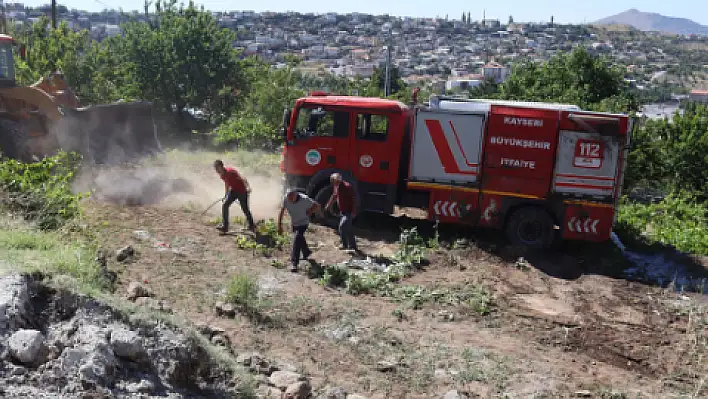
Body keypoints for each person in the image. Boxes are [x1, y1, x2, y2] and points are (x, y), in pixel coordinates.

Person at [278, 189, 320, 272]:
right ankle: (306, 252)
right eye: (288, 197)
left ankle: (294, 263)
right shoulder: (286, 199)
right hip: (294, 223)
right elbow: (282, 211)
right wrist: (279, 225)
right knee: (300, 238)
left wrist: (310, 211)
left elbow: (317, 205)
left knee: (297, 239)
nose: (290, 200)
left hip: (304, 223)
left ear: (296, 194)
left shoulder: (305, 199)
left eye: (291, 197)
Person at [213, 160, 256, 234]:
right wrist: (226, 195)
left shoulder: (231, 172)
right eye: (215, 169)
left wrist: (248, 187)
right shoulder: (222, 175)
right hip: (233, 191)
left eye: (217, 168)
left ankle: (251, 225)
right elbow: (227, 183)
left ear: (221, 166)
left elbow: (243, 178)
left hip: (242, 191)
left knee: (245, 209)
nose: (216, 170)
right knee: (225, 205)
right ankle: (225, 226)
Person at [325, 173, 358, 252]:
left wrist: (354, 211)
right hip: (342, 211)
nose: (334, 183)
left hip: (348, 212)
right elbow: (334, 195)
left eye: (335, 182)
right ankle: (353, 246)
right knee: (349, 229)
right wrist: (328, 205)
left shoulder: (347, 187)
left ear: (339, 180)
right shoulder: (336, 186)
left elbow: (354, 200)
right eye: (333, 182)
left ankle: (344, 244)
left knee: (342, 227)